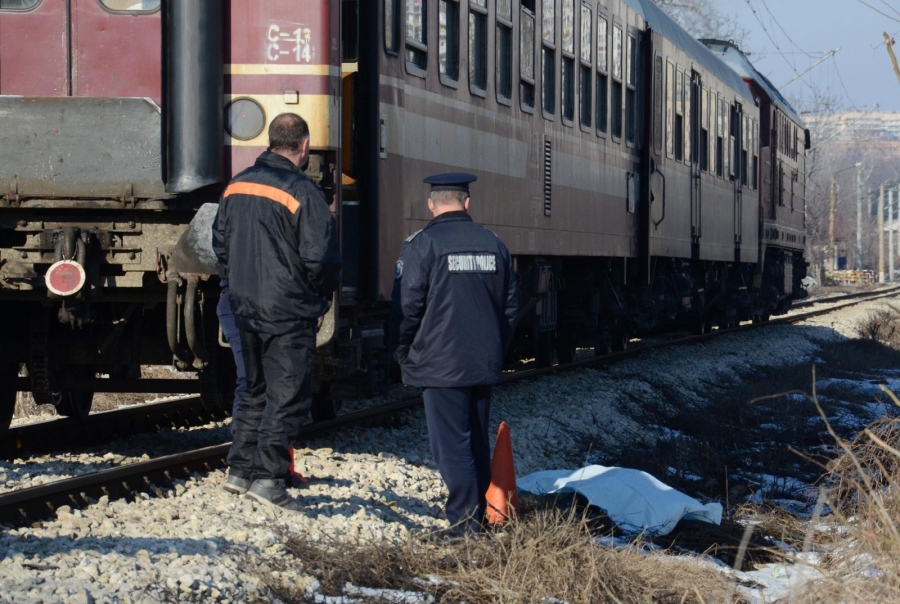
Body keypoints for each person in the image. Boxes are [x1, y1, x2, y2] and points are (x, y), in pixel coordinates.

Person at [212, 113, 341, 512]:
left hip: (243, 306)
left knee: (254, 391)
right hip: (287, 311)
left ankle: (239, 471)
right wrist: (318, 297)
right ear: (304, 146)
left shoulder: (237, 185)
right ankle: (268, 478)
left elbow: (219, 244)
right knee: (287, 396)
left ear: (269, 142)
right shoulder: (303, 191)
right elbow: (321, 258)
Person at [390, 173, 520, 537]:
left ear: (431, 204)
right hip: (482, 362)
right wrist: (495, 349)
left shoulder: (422, 244)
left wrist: (402, 350)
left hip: (440, 364)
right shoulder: (493, 243)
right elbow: (511, 307)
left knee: (452, 447)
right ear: (467, 202)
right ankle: (478, 519)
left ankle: (464, 525)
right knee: (476, 441)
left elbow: (407, 308)